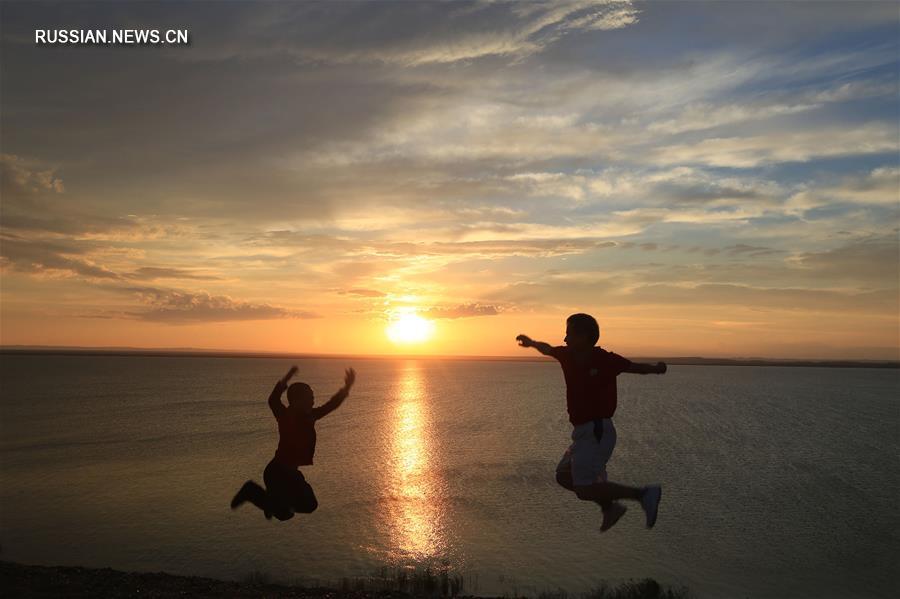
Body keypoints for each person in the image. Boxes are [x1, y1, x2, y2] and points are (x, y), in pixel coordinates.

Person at [517, 313, 666, 532]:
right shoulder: (566, 355)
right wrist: (530, 343)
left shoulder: (605, 359)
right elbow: (546, 348)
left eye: (569, 334)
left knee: (584, 488)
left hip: (598, 431)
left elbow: (635, 368)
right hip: (582, 433)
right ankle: (610, 508)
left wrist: (656, 368)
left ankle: (644, 494)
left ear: (584, 337)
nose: (565, 339)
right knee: (564, 476)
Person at [231, 365, 356, 521]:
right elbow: (273, 399)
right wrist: (287, 378)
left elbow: (331, 405)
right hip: (277, 472)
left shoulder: (311, 416)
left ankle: (270, 502)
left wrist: (346, 388)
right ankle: (253, 492)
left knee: (296, 509)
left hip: (290, 473)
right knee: (290, 511)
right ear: (297, 400)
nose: (313, 400)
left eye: (313, 396)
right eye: (309, 397)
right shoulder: (284, 415)